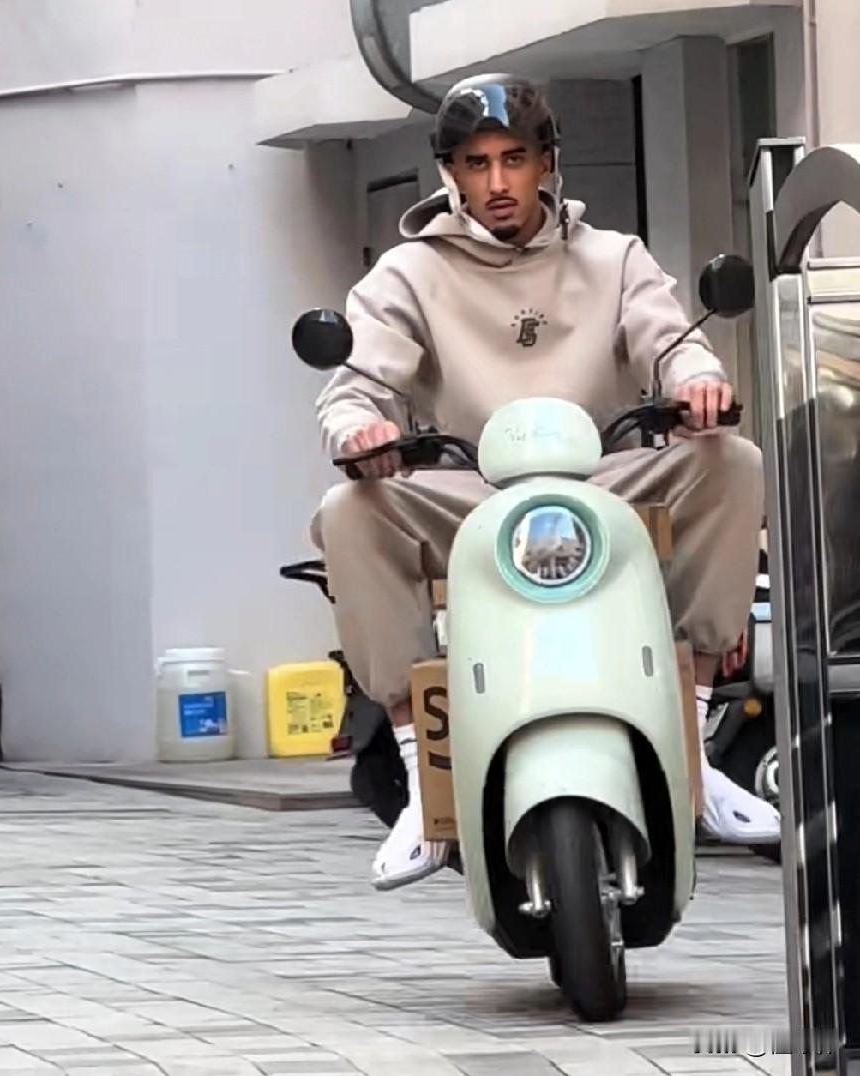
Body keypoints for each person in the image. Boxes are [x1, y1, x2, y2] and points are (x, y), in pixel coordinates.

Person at [310, 73, 780, 891]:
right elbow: (357, 382)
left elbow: (673, 343)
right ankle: (425, 778)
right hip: (473, 493)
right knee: (350, 508)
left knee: (732, 461)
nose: (497, 181)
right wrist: (359, 429)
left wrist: (698, 384)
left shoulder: (613, 257)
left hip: (604, 481)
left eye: (514, 159)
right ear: (451, 174)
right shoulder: (409, 272)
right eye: (476, 163)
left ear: (547, 163)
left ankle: (696, 751)